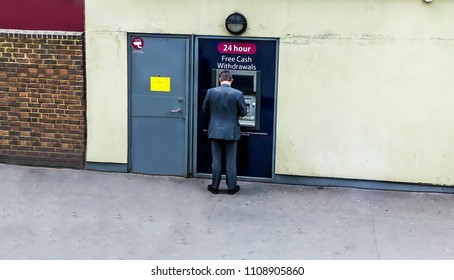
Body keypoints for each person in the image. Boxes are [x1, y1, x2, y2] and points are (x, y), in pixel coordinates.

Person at [202, 70, 248, 195]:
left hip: (215, 130)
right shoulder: (238, 93)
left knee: (216, 160)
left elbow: (204, 108)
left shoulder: (211, 92)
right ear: (231, 80)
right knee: (231, 161)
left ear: (219, 80)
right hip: (231, 131)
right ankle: (232, 188)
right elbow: (244, 112)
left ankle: (214, 187)